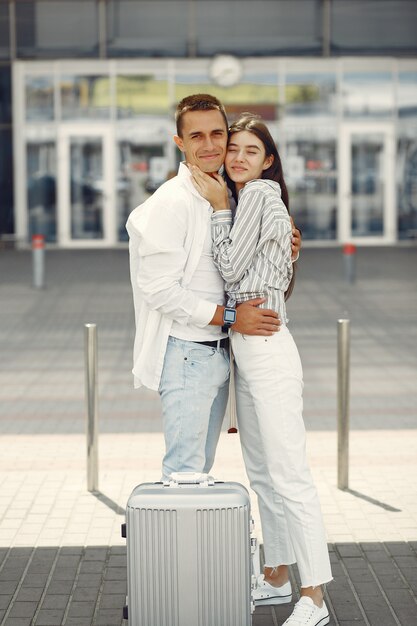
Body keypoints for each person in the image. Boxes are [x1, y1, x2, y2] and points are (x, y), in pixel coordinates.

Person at [190, 113, 332, 626]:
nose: (238, 157)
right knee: (263, 475)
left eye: (251, 150)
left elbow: (228, 268)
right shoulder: (257, 202)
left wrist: (219, 209)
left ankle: (313, 596)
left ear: (268, 161)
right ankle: (276, 576)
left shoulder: (255, 197)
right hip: (248, 349)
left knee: (290, 475)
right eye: (234, 149)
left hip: (267, 349)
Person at [126, 94, 302, 482]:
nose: (209, 145)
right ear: (180, 143)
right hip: (189, 353)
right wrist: (232, 317)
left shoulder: (226, 192)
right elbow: (158, 289)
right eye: (197, 136)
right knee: (185, 473)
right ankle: (172, 545)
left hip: (219, 348)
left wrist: (286, 245)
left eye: (217, 134)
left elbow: (243, 261)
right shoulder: (173, 202)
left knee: (198, 470)